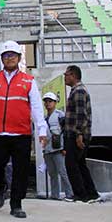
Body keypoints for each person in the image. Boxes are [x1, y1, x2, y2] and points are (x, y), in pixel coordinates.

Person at [0, 40, 47, 218]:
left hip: (21, 134)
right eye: (6, 55)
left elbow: (37, 107)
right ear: (2, 58)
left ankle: (16, 204)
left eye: (13, 55)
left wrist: (41, 129)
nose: (9, 58)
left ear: (19, 57)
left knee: (21, 171)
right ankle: (0, 188)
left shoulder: (28, 81)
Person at [63, 65, 99, 203]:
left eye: (66, 75)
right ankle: (91, 193)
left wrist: (79, 135)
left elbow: (81, 115)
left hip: (76, 134)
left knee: (72, 164)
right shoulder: (77, 90)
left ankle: (80, 194)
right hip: (77, 133)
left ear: (73, 75)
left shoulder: (78, 91)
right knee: (80, 164)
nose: (65, 77)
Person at [42, 92, 74, 201]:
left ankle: (69, 193)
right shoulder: (44, 118)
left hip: (58, 149)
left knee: (62, 172)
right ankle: (55, 195)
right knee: (52, 174)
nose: (47, 104)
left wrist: (65, 148)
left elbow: (66, 132)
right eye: (46, 102)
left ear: (55, 103)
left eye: (50, 101)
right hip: (47, 150)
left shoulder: (61, 115)